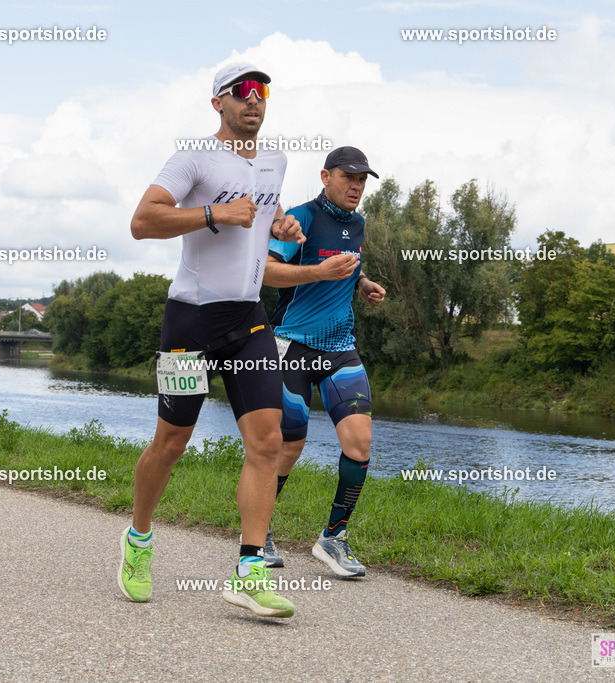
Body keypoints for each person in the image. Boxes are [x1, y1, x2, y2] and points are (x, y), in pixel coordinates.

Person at [117, 62, 305, 618]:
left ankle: (249, 571)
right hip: (190, 323)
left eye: (261, 90)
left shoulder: (275, 162)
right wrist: (213, 212)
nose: (254, 100)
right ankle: (139, 540)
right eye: (242, 91)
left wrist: (282, 224)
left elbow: (263, 220)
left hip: (248, 321)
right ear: (218, 102)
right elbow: (142, 221)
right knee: (172, 443)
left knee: (267, 442)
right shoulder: (192, 158)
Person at [262, 146, 385, 577]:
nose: (356, 186)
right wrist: (319, 273)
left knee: (359, 443)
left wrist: (363, 283)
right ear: (325, 176)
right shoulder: (301, 218)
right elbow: (266, 271)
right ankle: (259, 533)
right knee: (288, 445)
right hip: (291, 345)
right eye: (348, 177)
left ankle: (334, 537)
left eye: (362, 180)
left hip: (339, 347)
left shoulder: (358, 224)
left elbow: (346, 266)